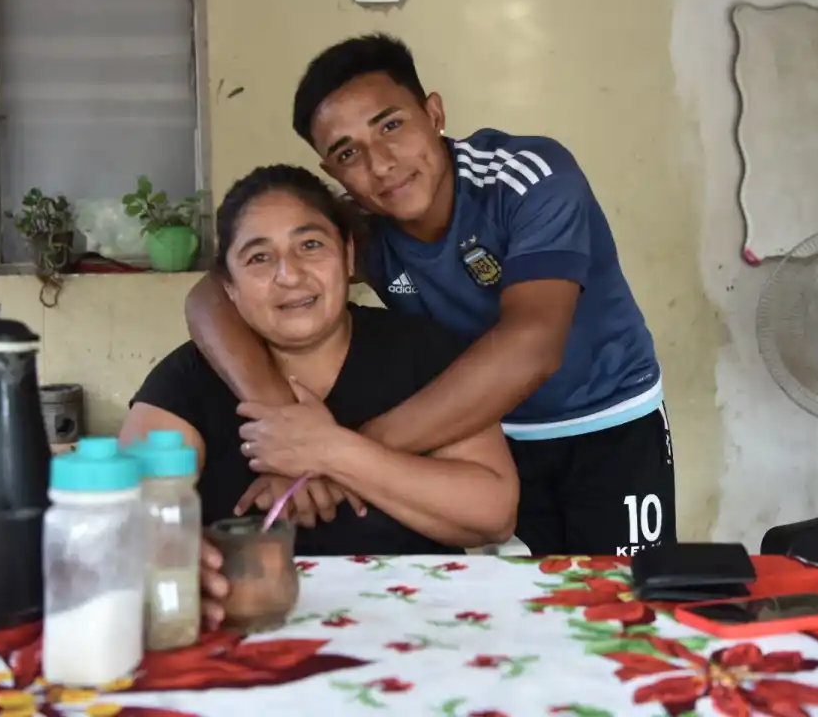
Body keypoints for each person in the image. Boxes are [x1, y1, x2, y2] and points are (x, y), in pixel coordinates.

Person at [185, 33, 674, 557]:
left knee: (624, 608)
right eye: (348, 152)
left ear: (434, 113)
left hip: (607, 423)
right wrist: (283, 417)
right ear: (333, 173)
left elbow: (532, 346)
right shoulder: (363, 230)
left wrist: (335, 452)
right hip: (482, 436)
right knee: (519, 616)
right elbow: (209, 295)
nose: (381, 164)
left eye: (391, 125)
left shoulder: (525, 178)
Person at [121, 163, 519, 626]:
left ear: (348, 257)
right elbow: (125, 503)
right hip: (246, 631)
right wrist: (165, 544)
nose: (289, 275)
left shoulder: (421, 352)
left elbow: (493, 514)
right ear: (227, 287)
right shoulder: (189, 376)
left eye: (310, 245)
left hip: (416, 629)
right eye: (258, 258)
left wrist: (331, 451)